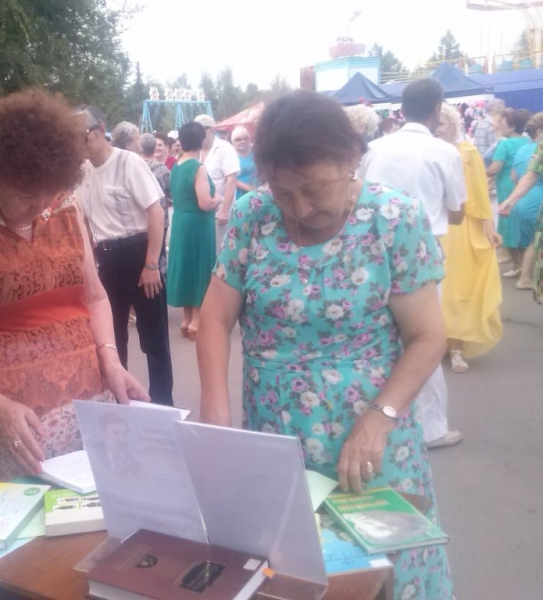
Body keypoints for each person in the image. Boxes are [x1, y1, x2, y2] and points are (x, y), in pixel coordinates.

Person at [198, 90, 454, 599]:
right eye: (283, 192)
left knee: (381, 575)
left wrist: (380, 417)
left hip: (369, 441)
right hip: (275, 436)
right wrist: (215, 408)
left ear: (349, 159)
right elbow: (214, 317)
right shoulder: (253, 215)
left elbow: (427, 337)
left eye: (312, 189)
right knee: (288, 572)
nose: (300, 208)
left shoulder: (393, 218)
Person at [0, 91, 147, 497]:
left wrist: (111, 361)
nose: (40, 205)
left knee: (94, 523)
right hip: (7, 431)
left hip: (89, 411)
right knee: (20, 533)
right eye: (24, 194)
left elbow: (94, 297)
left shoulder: (65, 206)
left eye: (48, 190)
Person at [359, 78, 466, 450]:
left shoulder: (375, 149)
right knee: (424, 336)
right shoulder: (444, 152)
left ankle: (374, 414)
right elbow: (457, 212)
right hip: (421, 252)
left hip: (369, 250)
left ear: (401, 109)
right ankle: (431, 427)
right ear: (437, 109)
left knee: (374, 335)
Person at [77, 104, 173, 406]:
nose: (78, 144)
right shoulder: (82, 171)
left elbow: (156, 212)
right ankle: (122, 404)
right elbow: (83, 219)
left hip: (138, 255)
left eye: (82, 136)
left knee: (154, 338)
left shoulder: (128, 162)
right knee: (112, 338)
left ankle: (162, 405)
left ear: (100, 129)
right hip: (106, 260)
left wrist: (151, 264)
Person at [436, 104, 503, 374]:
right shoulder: (426, 151)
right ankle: (436, 342)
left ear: (453, 125)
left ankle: (457, 347)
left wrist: (489, 228)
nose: (438, 128)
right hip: (433, 226)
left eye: (442, 123)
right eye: (435, 123)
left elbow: (479, 192)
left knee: (459, 289)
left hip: (462, 227)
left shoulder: (468, 152)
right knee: (434, 290)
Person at [167, 122, 220, 340]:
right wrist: (219, 199)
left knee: (185, 267)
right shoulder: (198, 168)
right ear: (201, 140)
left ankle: (186, 319)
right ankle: (196, 322)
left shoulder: (177, 166)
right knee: (199, 268)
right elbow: (205, 203)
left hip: (180, 222)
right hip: (198, 225)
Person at [487, 108, 532, 276]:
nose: (500, 125)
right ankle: (527, 265)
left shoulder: (504, 144)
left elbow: (494, 169)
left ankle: (518, 265)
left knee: (507, 226)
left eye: (503, 122)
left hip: (506, 187)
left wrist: (477, 172)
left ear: (512, 126)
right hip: (524, 186)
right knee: (522, 225)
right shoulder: (528, 141)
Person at [195, 114, 239, 251]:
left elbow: (231, 180)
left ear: (213, 130)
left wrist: (224, 210)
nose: (201, 132)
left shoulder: (225, 148)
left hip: (219, 214)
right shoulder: (194, 150)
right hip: (198, 212)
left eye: (205, 128)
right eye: (197, 128)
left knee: (219, 251)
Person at [139, 133, 171, 238]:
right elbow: (170, 195)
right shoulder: (163, 169)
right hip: (160, 218)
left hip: (140, 219)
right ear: (154, 148)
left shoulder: (134, 166)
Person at [231, 126, 259, 200]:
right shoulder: (230, 156)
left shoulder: (255, 151)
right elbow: (231, 179)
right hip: (241, 194)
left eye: (245, 138)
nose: (242, 141)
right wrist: (249, 188)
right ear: (232, 141)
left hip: (259, 190)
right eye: (238, 139)